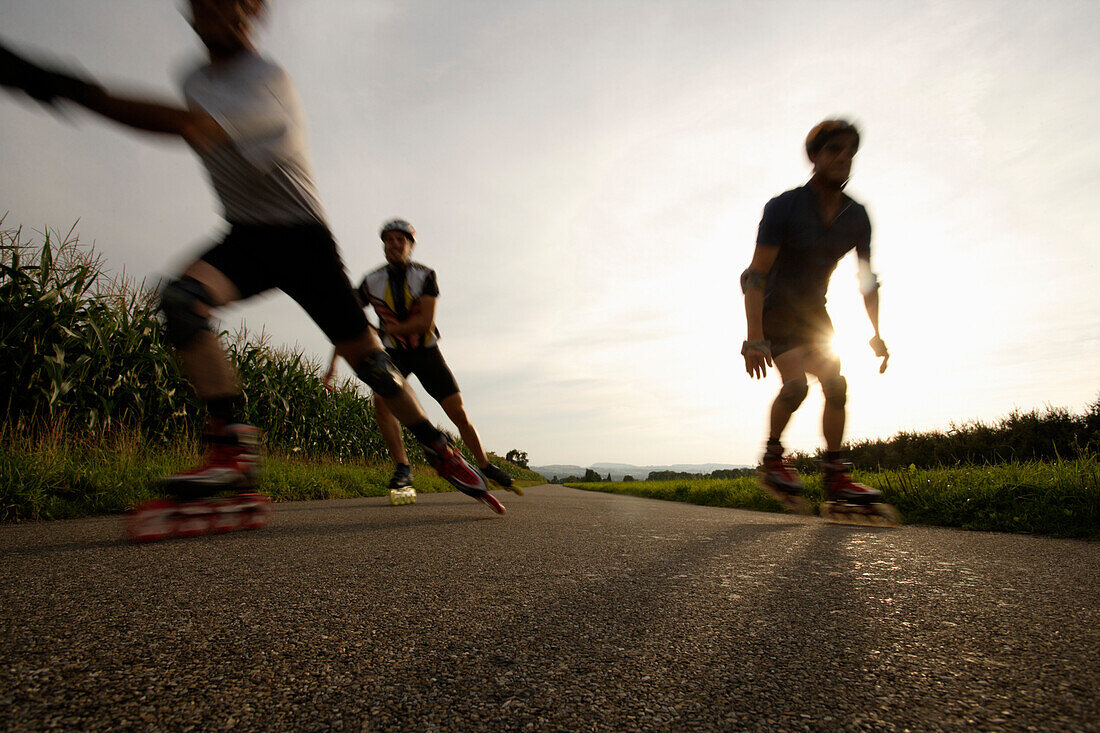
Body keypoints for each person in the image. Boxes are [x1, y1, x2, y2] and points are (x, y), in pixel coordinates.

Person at [0, 0, 504, 516]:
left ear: (255, 13)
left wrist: (67, 88)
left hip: (303, 239)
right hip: (246, 237)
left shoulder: (268, 78)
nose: (220, 14)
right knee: (179, 300)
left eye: (235, 6)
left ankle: (435, 446)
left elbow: (198, 127)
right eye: (207, 6)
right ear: (191, 14)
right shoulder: (194, 77)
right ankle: (232, 448)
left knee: (372, 366)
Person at [740, 119, 890, 508]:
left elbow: (867, 280)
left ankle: (835, 478)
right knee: (796, 387)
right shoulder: (784, 207)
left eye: (849, 151)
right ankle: (773, 459)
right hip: (777, 308)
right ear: (814, 157)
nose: (843, 157)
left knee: (837, 387)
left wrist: (876, 332)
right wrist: (754, 338)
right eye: (833, 150)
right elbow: (755, 276)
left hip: (814, 313)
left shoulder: (856, 216)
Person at [325, 219, 521, 497]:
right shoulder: (371, 281)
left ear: (410, 245)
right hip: (394, 353)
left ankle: (485, 465)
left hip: (425, 351)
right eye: (389, 240)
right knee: (381, 402)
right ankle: (403, 468)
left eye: (400, 240)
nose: (394, 245)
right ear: (384, 245)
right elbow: (347, 321)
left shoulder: (425, 275)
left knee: (457, 412)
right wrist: (333, 363)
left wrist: (382, 329)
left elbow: (425, 322)